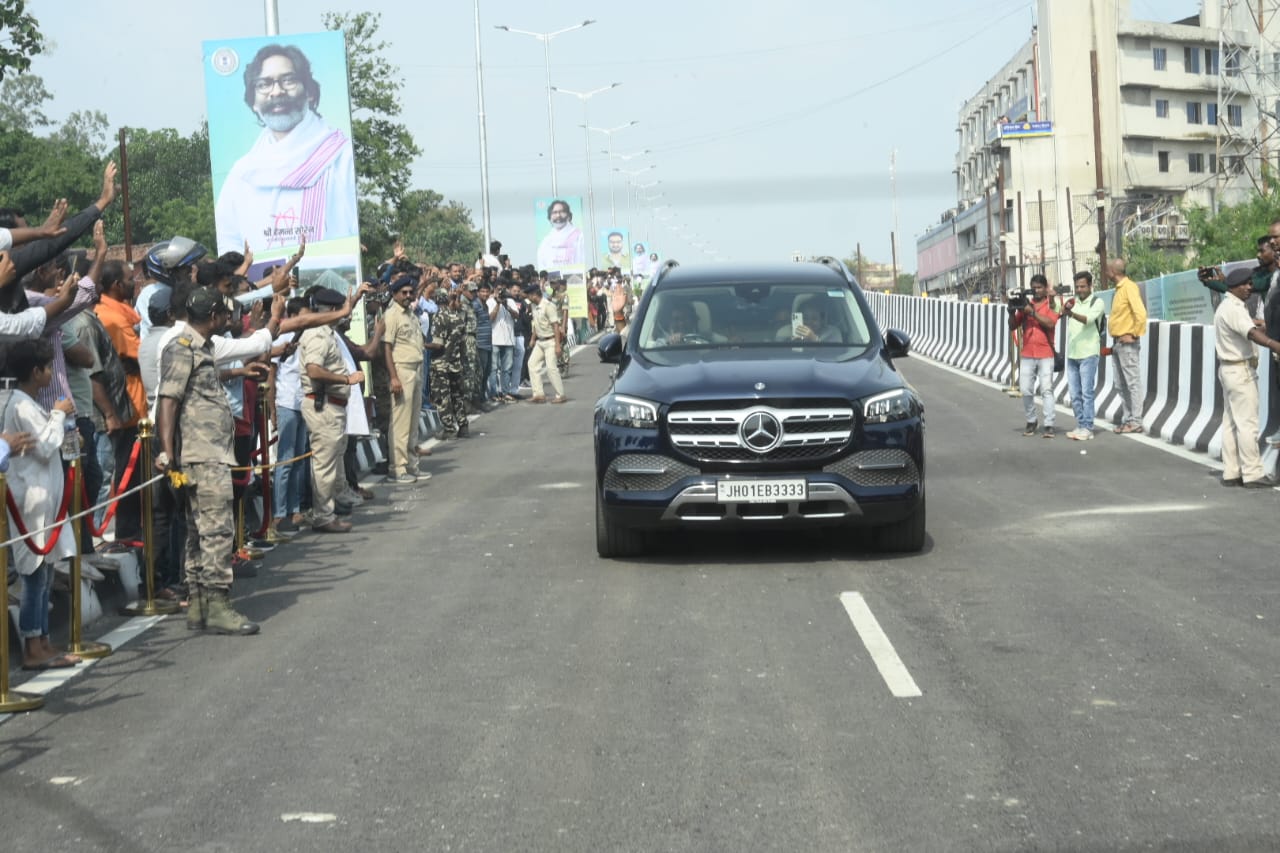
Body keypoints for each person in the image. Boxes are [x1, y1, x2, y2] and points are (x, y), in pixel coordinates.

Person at [154, 289, 260, 635]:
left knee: (199, 531)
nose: (226, 318)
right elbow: (167, 401)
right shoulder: (181, 348)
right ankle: (217, 604)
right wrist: (168, 451)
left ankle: (199, 604)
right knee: (216, 531)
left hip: (209, 451)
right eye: (223, 313)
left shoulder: (203, 348)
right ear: (213, 314)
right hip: (201, 455)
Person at [214, 43, 358, 253]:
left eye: (288, 80)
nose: (276, 91)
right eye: (264, 84)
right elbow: (229, 241)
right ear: (253, 102)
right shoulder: (242, 172)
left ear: (309, 91)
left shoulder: (341, 157)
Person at [3, 339, 81, 669]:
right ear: (35, 372)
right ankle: (32, 645)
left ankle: (44, 641)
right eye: (48, 367)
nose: (51, 373)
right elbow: (46, 446)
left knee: (45, 572)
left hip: (44, 497)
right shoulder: (19, 405)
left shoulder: (25, 402)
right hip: (30, 500)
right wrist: (58, 415)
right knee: (34, 575)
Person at [298, 287, 364, 532]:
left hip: (331, 405)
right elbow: (314, 370)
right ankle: (323, 516)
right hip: (323, 404)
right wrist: (346, 380)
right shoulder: (318, 335)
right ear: (333, 311)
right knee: (324, 465)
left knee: (330, 463)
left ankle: (329, 509)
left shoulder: (327, 333)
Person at [1213, 267, 1280, 488]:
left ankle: (1232, 472)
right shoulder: (1233, 309)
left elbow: (1251, 325)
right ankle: (1252, 473)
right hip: (1240, 371)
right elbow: (1250, 333)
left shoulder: (1227, 306)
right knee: (1247, 424)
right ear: (1236, 286)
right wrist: (1274, 345)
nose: (1250, 288)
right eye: (1247, 284)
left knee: (1231, 422)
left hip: (1229, 369)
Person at [383, 276, 425, 484]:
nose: (408, 296)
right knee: (400, 422)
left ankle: (411, 465)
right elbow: (387, 348)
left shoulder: (411, 315)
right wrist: (393, 377)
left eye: (411, 292)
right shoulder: (392, 316)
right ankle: (397, 468)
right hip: (402, 370)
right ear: (395, 294)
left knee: (412, 421)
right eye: (404, 293)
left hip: (416, 369)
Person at [1009, 274, 1060, 437]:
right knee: (1025, 389)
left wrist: (1032, 313)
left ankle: (1049, 424)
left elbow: (1051, 323)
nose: (1036, 291)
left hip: (1045, 353)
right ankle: (1031, 420)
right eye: (1034, 288)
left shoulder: (1051, 304)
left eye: (1039, 287)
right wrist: (1011, 311)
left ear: (1045, 288)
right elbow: (1012, 326)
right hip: (1028, 353)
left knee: (1046, 389)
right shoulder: (1026, 305)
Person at [1059, 271, 1106, 441]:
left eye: (1083, 286)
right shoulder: (1074, 302)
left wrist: (1070, 314)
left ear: (1090, 286)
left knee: (1087, 393)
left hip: (1089, 353)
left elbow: (1088, 319)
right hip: (1072, 354)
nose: (1080, 289)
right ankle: (1080, 425)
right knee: (1074, 394)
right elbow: (1057, 312)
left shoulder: (1097, 302)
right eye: (1077, 286)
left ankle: (1088, 427)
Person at [1106, 257, 1148, 434]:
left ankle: (1136, 420)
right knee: (1120, 384)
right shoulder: (1118, 290)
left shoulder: (1129, 287)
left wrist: (1135, 334)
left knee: (1132, 383)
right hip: (1117, 343)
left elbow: (1141, 313)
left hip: (1127, 344)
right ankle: (1128, 418)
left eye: (1107, 269)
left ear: (1113, 272)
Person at [429, 282, 470, 438]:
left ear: (436, 300)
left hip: (441, 364)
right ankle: (463, 425)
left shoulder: (439, 317)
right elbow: (463, 344)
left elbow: (438, 344)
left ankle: (448, 428)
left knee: (442, 396)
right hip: (456, 363)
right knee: (457, 395)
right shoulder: (458, 317)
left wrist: (423, 344)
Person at [526, 282, 567, 404]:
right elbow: (536, 324)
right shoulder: (534, 306)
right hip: (540, 341)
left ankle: (560, 394)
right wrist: (533, 339)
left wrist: (558, 345)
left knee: (551, 368)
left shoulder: (548, 306)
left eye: (529, 295)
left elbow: (555, 325)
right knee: (532, 364)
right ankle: (538, 394)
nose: (528, 297)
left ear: (534, 295)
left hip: (550, 340)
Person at [535, 199, 585, 271]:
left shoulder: (579, 236)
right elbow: (542, 264)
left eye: (562, 212)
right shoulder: (546, 241)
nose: (558, 215)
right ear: (550, 217)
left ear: (568, 215)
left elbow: (581, 261)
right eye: (554, 212)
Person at [775, 299, 841, 343]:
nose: (809, 322)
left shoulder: (832, 333)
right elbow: (778, 354)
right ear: (799, 318)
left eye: (814, 319)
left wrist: (814, 339)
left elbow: (834, 356)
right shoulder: (784, 332)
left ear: (821, 321)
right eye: (805, 318)